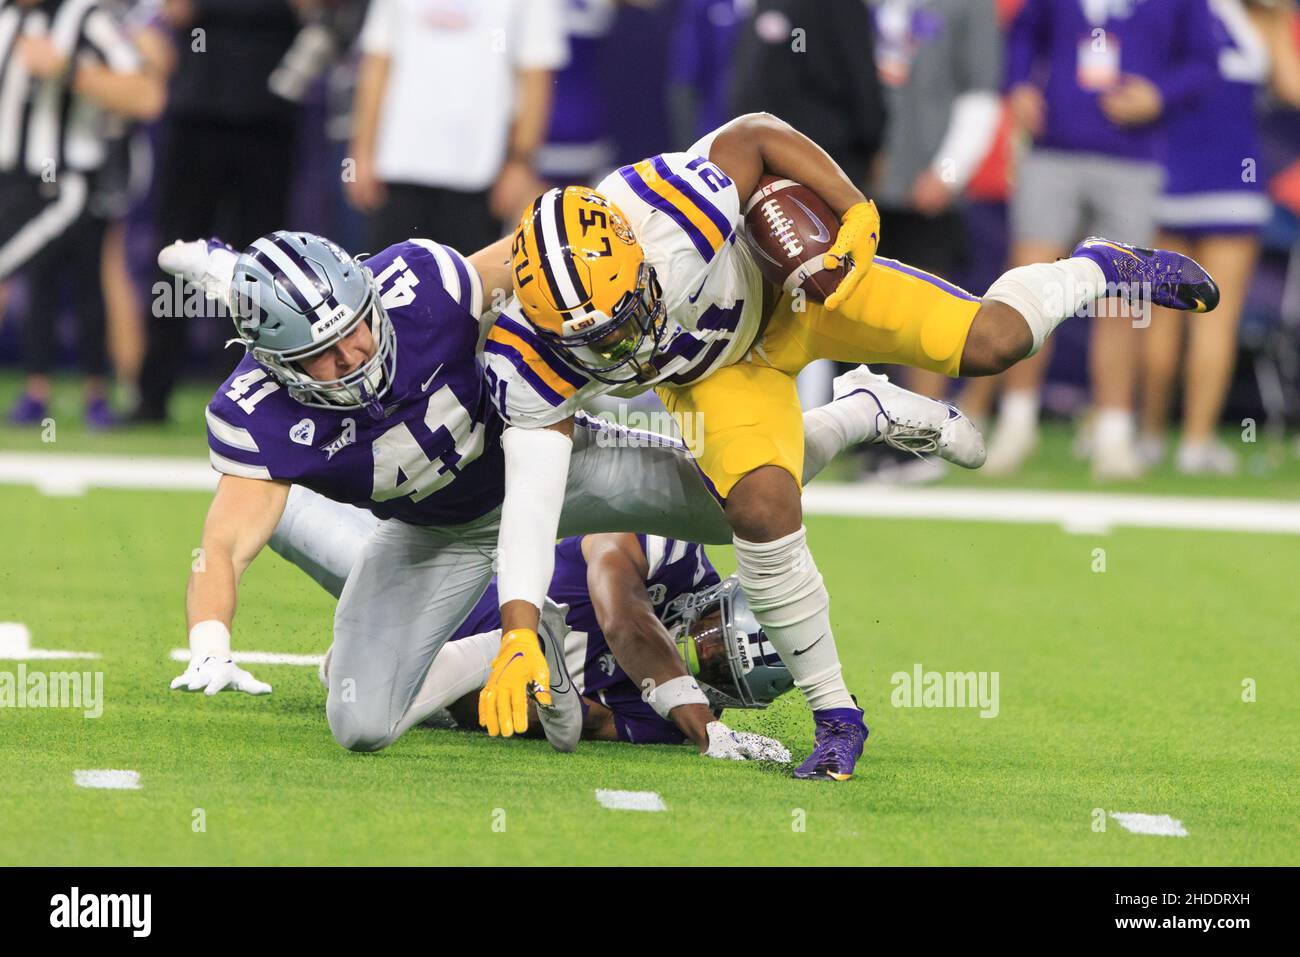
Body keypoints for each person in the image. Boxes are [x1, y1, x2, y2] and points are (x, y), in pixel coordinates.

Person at [482, 112, 1220, 781]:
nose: (620, 344)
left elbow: (756, 133)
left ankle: (1092, 266)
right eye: (594, 339)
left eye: (621, 317)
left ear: (636, 257)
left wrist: (854, 206)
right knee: (763, 508)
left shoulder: (673, 214)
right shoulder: (534, 353)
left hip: (798, 288)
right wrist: (517, 628)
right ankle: (837, 713)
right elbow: (534, 498)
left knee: (995, 341)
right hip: (724, 372)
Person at [162, 227, 982, 758]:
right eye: (325, 359)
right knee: (360, 720)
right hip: (434, 535)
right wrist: (210, 639)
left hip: (549, 467)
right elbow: (227, 537)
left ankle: (861, 408)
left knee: (741, 499)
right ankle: (228, 268)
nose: (354, 360)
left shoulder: (423, 287)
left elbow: (533, 253)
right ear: (273, 362)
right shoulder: (258, 412)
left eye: (358, 334)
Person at [261, 485, 796, 757]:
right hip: (441, 568)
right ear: (713, 604)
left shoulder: (668, 727)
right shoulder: (679, 561)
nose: (699, 654)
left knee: (350, 686)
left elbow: (574, 721)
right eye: (711, 639)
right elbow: (621, 611)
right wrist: (700, 721)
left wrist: (463, 696)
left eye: (718, 668)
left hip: (445, 647)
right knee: (278, 507)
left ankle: (419, 667)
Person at [966, 0, 1217, 478]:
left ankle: (1114, 432)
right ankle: (1017, 423)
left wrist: (1160, 95)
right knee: (1027, 288)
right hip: (1052, 150)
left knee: (1123, 299)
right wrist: (1018, 86)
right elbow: (1021, 35)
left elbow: (1203, 64)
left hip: (1132, 156)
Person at [1140, 0, 1300, 474]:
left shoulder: (1175, 12)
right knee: (1216, 320)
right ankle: (1195, 443)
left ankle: (1149, 436)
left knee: (1159, 317)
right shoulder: (1259, 21)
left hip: (1168, 180)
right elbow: (1293, 87)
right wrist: (1279, 22)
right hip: (1233, 184)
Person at [131, 0, 300, 423]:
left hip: (268, 116)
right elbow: (176, 11)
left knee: (262, 265)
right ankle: (153, 394)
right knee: (178, 256)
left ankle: (252, 393)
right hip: (198, 113)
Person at [0, 0, 164, 427]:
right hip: (10, 182)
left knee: (91, 279)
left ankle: (100, 392)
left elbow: (147, 95)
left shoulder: (85, 18)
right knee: (45, 280)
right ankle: (42, 392)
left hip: (63, 184)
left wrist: (70, 70)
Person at [347, 0, 567, 254]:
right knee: (386, 286)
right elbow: (378, 60)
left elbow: (536, 73)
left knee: (471, 291)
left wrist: (520, 162)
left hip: (479, 176)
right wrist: (362, 151)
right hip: (398, 169)